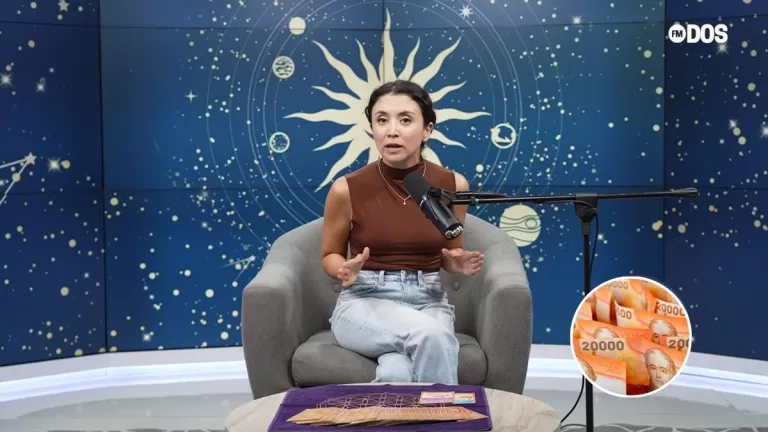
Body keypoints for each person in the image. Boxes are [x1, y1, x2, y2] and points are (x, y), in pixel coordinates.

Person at [320, 79, 484, 385]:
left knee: (398, 371)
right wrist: (343, 269)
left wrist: (455, 262)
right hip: (364, 301)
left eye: (405, 120)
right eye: (382, 120)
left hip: (429, 300)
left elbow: (449, 253)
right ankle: (446, 412)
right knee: (432, 336)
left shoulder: (453, 185)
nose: (391, 130)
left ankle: (387, 410)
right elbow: (329, 254)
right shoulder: (346, 189)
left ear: (427, 130)